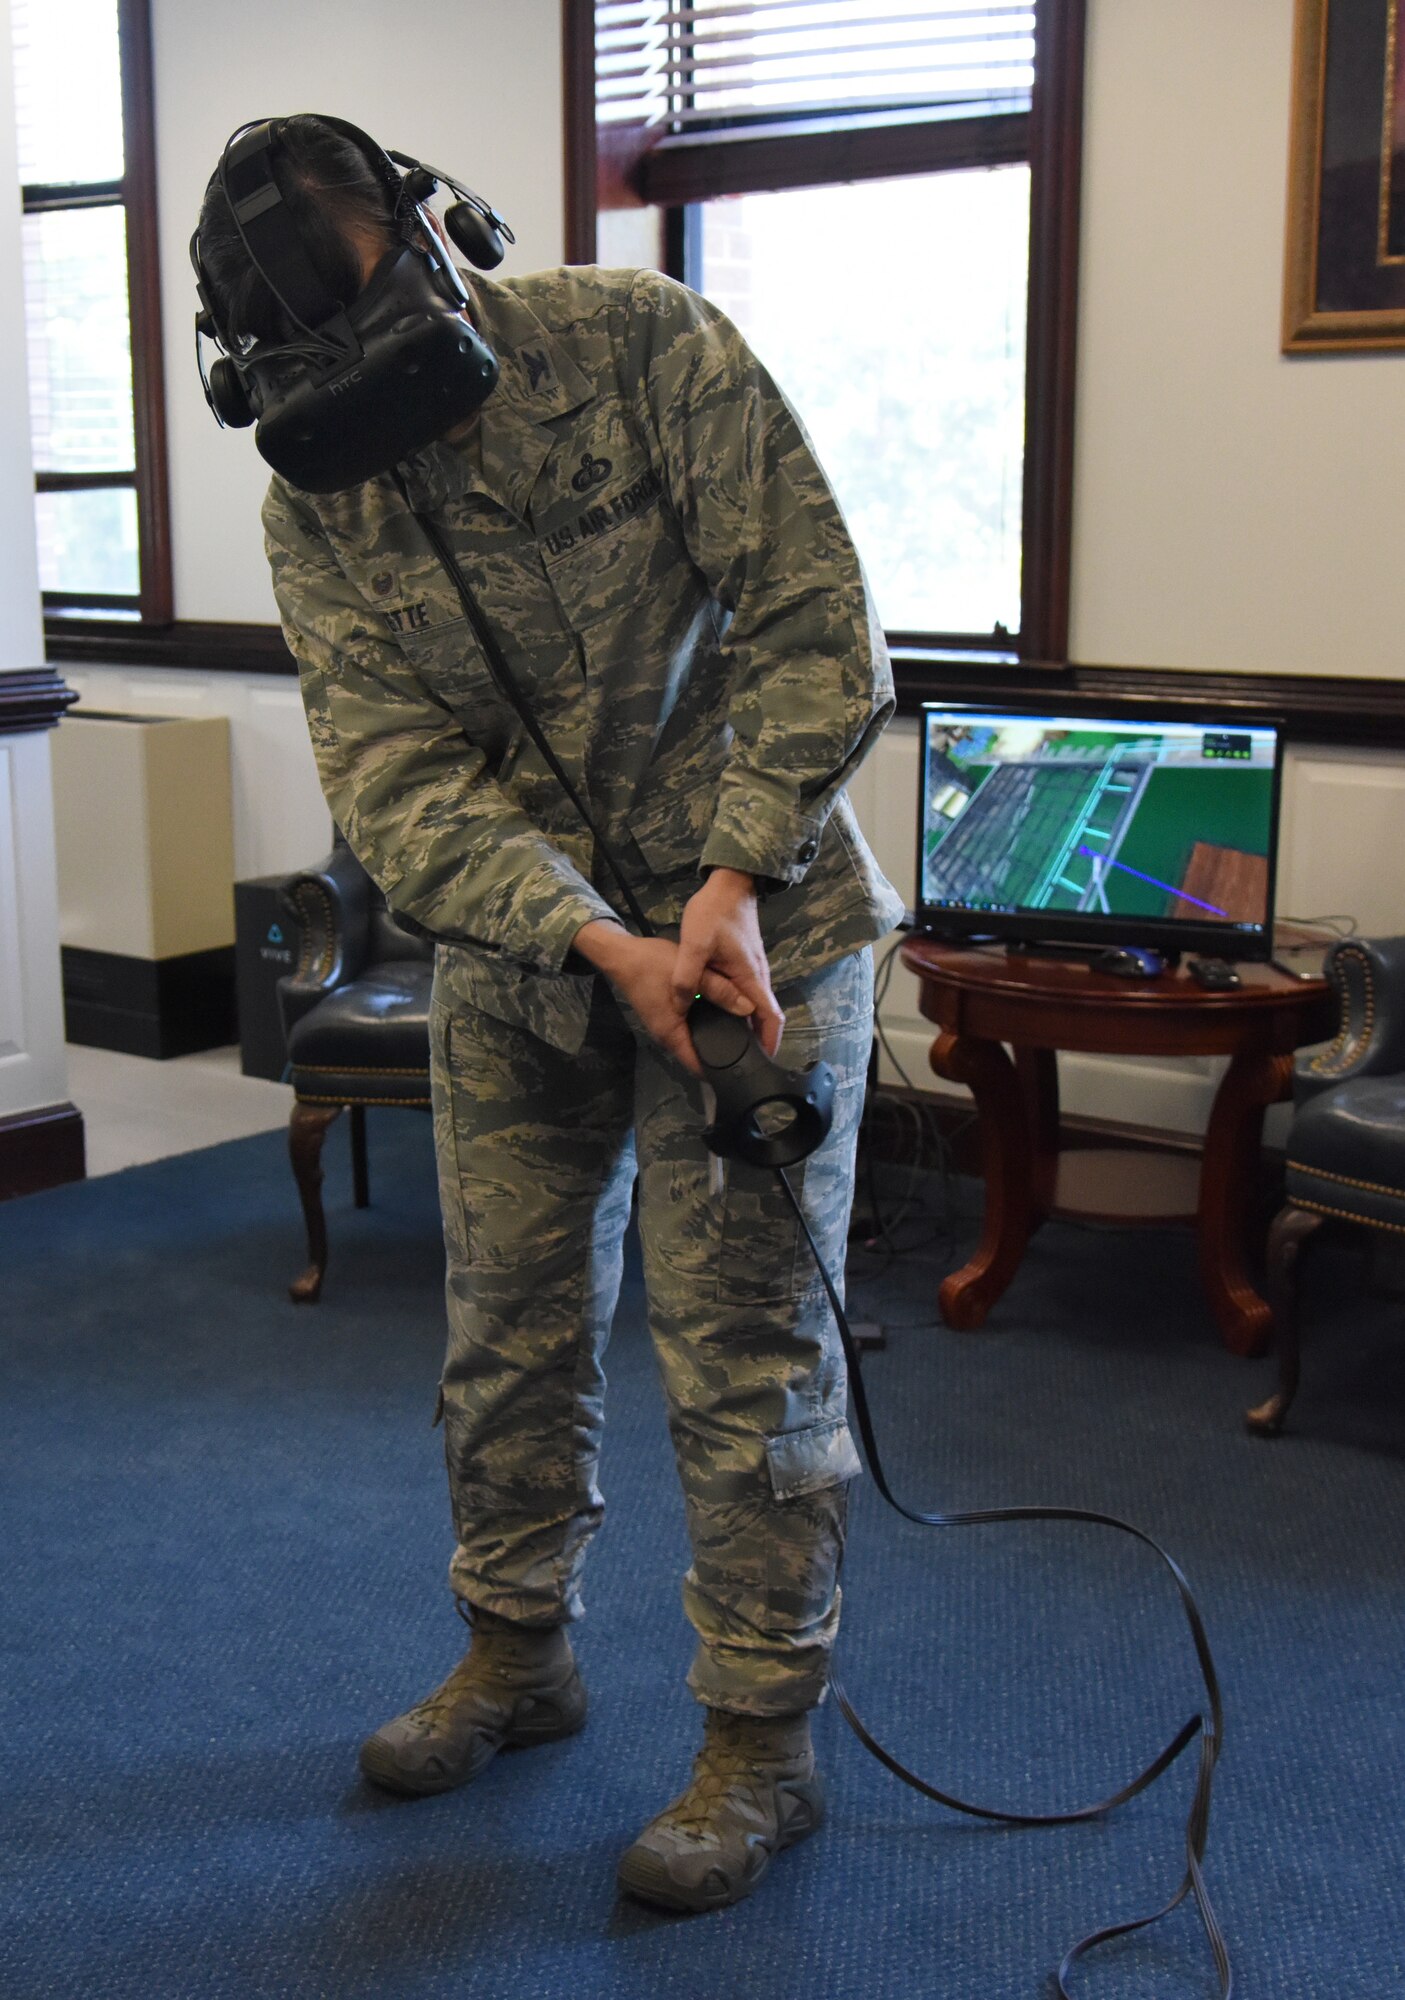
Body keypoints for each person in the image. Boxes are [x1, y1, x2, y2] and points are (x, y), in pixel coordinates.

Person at [195, 113, 904, 1913]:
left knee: (743, 1357)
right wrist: (598, 941)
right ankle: (518, 1659)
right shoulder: (317, 486)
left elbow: (815, 622)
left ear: (443, 237)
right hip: (530, 956)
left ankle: (761, 1748)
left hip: (762, 928)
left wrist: (725, 887)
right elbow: (392, 772)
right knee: (504, 1330)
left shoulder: (640, 344)